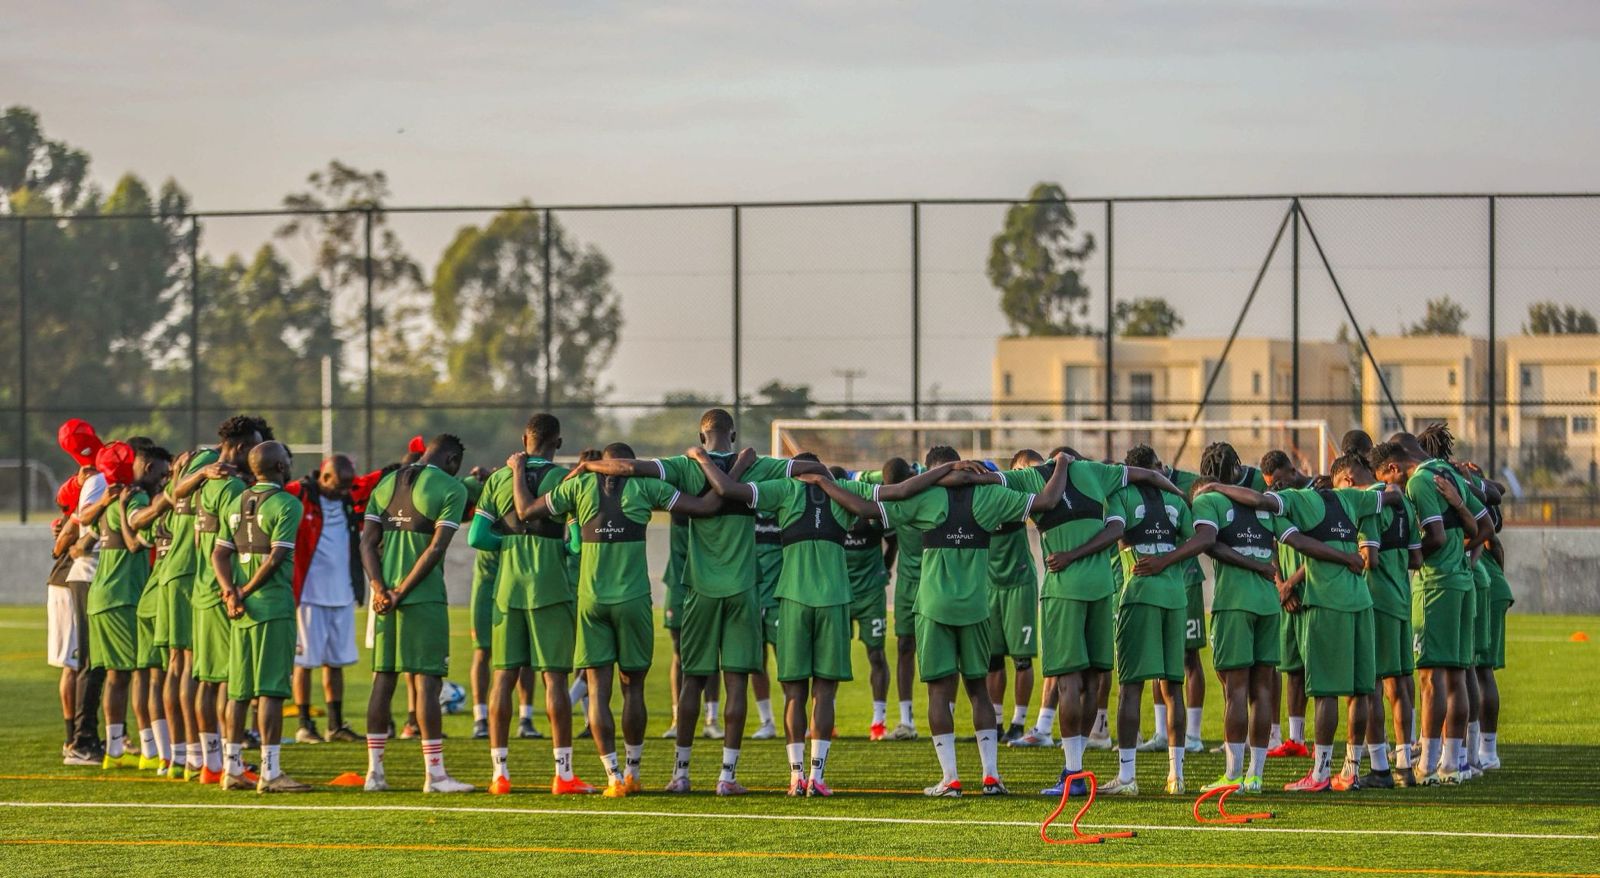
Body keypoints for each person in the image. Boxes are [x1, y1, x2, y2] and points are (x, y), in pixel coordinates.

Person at [564, 409, 824, 792]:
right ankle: (726, 778)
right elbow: (808, 466)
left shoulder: (684, 466)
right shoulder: (758, 466)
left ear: (702, 437)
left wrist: (589, 467)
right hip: (742, 587)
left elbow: (628, 467)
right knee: (736, 683)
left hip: (698, 588)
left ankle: (680, 775)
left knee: (692, 682)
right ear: (731, 434)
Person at [867, 449, 1074, 797]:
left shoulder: (925, 496)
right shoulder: (989, 495)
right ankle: (990, 776)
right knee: (978, 688)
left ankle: (950, 779)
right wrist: (1063, 463)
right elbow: (1049, 499)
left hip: (934, 607)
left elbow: (872, 503)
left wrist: (823, 482)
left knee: (940, 691)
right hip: (977, 606)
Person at [524, 441, 724, 796]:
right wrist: (720, 470)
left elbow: (527, 511)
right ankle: (633, 771)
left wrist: (517, 471)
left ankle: (612, 776)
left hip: (591, 601)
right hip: (632, 600)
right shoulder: (646, 485)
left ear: (602, 464)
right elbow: (707, 506)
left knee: (599, 692)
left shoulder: (578, 485)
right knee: (634, 688)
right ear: (630, 464)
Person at [1199, 467, 1402, 792]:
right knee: (1362, 691)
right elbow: (1393, 494)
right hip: (1361, 600)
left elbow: (1261, 503)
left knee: (1325, 693)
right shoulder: (1352, 498)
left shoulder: (1300, 499)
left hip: (1327, 602)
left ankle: (1320, 773)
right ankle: (1351, 770)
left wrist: (1215, 487)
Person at [1001, 447, 1179, 796]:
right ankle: (1082, 763)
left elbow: (991, 479)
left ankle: (1074, 772)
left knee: (1067, 682)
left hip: (1065, 589)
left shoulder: (1036, 480)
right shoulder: (1098, 474)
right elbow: (1150, 477)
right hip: (1103, 589)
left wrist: (1069, 555)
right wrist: (1178, 498)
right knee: (1094, 682)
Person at [467, 414, 589, 795]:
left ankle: (499, 775)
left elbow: (476, 536)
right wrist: (550, 548)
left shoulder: (499, 479)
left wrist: (510, 545)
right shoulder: (563, 481)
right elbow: (575, 545)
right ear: (558, 442)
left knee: (503, 676)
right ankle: (563, 775)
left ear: (524, 438)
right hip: (550, 588)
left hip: (507, 588)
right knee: (554, 677)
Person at [361, 434, 472, 793]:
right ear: (453, 460)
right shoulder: (451, 488)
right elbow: (437, 548)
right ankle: (435, 776)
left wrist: (380, 589)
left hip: (384, 599)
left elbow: (365, 541)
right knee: (427, 683)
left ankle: (374, 774)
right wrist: (403, 591)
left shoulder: (387, 481)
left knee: (384, 678)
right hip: (421, 598)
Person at [1373, 433, 1485, 785]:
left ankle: (1429, 763)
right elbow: (1482, 526)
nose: (1390, 488)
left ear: (1393, 467)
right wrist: (1462, 554)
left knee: (1430, 679)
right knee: (1456, 676)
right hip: (1461, 581)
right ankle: (1454, 762)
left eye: (1385, 479)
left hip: (1436, 586)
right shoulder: (1447, 472)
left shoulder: (1420, 480)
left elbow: (1434, 536)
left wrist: (1406, 555)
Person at [1099, 469, 1215, 796]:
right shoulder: (1175, 500)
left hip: (1137, 596)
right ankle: (1176, 776)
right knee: (1172, 686)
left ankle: (1126, 777)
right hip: (1175, 598)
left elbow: (1117, 531)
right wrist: (1168, 559)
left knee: (1131, 687)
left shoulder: (1121, 496)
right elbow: (1203, 537)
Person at [211, 441, 311, 793]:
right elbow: (275, 559)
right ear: (281, 467)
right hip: (271, 607)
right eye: (288, 460)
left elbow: (218, 555)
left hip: (239, 611)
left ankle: (232, 768)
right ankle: (270, 773)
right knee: (270, 691)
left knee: (238, 692)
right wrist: (246, 592)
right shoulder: (288, 503)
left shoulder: (235, 500)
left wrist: (230, 592)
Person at [1191, 442, 1290, 795]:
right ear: (1236, 469)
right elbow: (1279, 544)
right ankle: (1256, 775)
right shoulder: (1260, 503)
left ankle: (1233, 775)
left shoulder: (1208, 500)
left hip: (1234, 601)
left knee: (1235, 691)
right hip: (1267, 601)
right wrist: (1271, 573)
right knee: (1263, 689)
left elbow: (1209, 544)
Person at [1332, 451, 1420, 790]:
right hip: (1400, 599)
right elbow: (1415, 557)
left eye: (1339, 487)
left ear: (1348, 481)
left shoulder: (1366, 503)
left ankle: (1377, 768)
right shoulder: (1404, 504)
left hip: (1373, 601)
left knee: (1366, 687)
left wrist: (1338, 558)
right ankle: (1403, 765)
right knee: (1398, 685)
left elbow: (1368, 559)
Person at [86, 441, 162, 771]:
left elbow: (84, 535)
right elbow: (135, 539)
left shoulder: (105, 503)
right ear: (146, 469)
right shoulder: (137, 498)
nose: (163, 480)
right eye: (161, 474)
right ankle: (149, 748)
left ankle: (114, 750)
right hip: (124, 596)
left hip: (100, 597)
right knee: (141, 671)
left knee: (116, 675)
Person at [284, 455, 365, 744]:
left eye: (349, 485)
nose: (346, 490)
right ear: (326, 477)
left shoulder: (347, 502)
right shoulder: (301, 494)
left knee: (336, 662)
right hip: (309, 596)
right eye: (341, 484)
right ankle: (305, 724)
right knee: (304, 662)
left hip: (342, 594)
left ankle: (335, 725)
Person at [55, 419, 109, 764]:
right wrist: (70, 543)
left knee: (87, 663)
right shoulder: (100, 481)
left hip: (79, 574)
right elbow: (75, 531)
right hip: (82, 575)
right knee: (84, 663)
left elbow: (70, 527)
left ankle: (87, 738)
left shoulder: (80, 482)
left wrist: (66, 540)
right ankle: (79, 740)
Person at [830, 465, 893, 741]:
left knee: (876, 655)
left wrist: (885, 569)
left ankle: (878, 721)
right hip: (838, 593)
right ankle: (826, 720)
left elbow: (893, 541)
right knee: (829, 660)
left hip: (870, 593)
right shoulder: (826, 512)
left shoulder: (870, 510)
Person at [986, 450, 1041, 744]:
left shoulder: (1016, 497)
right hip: (989, 586)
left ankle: (1019, 722)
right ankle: (994, 722)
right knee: (993, 660)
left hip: (1019, 583)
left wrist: (1032, 468)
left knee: (1021, 659)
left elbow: (1038, 481)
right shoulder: (977, 503)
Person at [1259, 449, 1312, 759]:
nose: (1274, 489)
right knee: (1290, 668)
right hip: (1286, 598)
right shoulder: (1275, 507)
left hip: (1311, 595)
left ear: (1292, 472)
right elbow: (1272, 549)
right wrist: (1281, 585)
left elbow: (1318, 550)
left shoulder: (1312, 499)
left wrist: (1292, 584)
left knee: (1314, 670)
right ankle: (1295, 738)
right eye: (1269, 485)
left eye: (1278, 482)